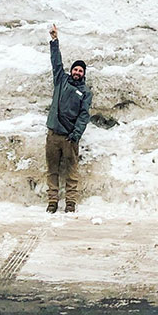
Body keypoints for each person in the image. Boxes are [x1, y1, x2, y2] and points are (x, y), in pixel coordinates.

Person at [45, 24, 92, 213]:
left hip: (70, 138)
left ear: (83, 74)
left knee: (71, 172)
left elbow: (84, 115)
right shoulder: (61, 79)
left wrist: (76, 134)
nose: (77, 72)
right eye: (75, 69)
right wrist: (54, 40)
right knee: (53, 170)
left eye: (80, 71)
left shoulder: (85, 92)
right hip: (53, 134)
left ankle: (70, 203)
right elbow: (56, 62)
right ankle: (52, 202)